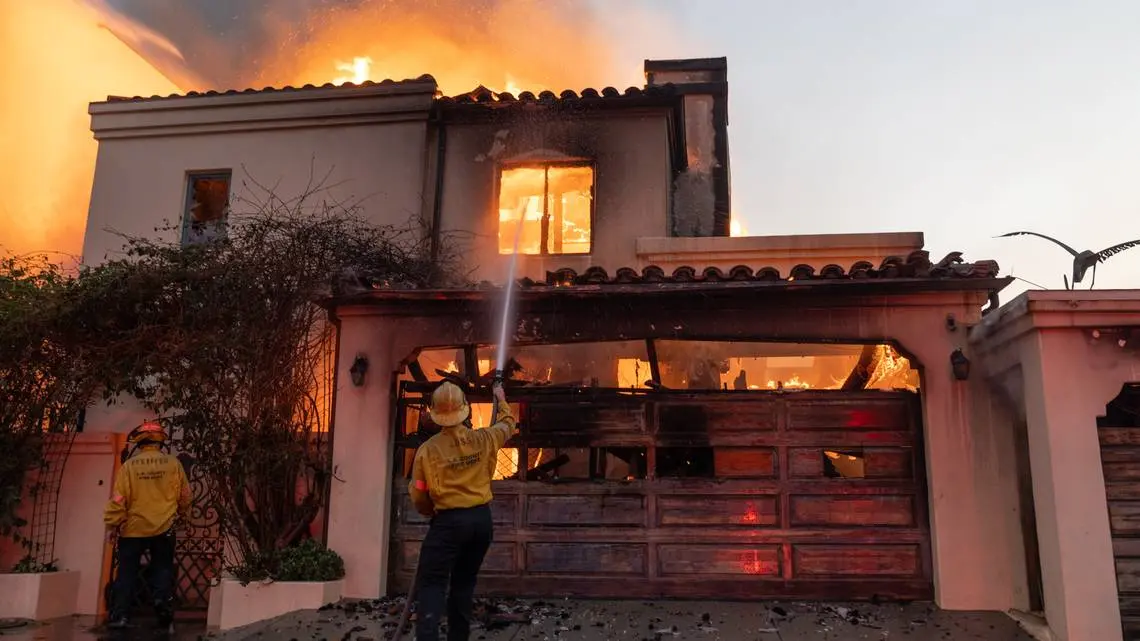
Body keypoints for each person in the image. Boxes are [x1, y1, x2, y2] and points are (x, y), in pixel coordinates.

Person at [409, 379, 516, 641]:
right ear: (465, 408)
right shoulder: (485, 438)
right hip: (481, 523)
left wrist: (429, 512)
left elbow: (419, 493)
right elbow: (507, 425)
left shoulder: (427, 451)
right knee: (463, 584)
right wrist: (500, 399)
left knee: (432, 583)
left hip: (447, 522)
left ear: (435, 413)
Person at [103, 420, 191, 631]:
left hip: (133, 529)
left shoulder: (129, 467)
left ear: (140, 442)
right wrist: (184, 517)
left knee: (126, 572)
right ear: (161, 441)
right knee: (162, 569)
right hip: (164, 527)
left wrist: (112, 526)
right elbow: (185, 496)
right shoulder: (173, 465)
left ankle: (121, 615)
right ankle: (162, 607)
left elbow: (118, 499)